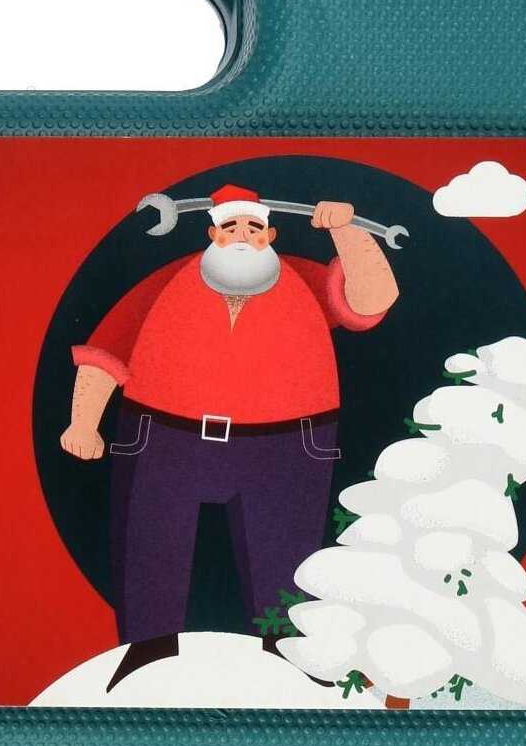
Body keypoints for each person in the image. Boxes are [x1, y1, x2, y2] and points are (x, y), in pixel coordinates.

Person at [59, 183, 399, 691]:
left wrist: (347, 232)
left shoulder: (305, 280)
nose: (242, 236)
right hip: (166, 437)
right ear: (212, 232)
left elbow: (372, 301)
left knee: (286, 563)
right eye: (231, 227)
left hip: (284, 446)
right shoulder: (165, 283)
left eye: (254, 227)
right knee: (150, 549)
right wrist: (83, 423)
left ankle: (290, 665)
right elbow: (107, 350)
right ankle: (145, 660)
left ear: (271, 235)